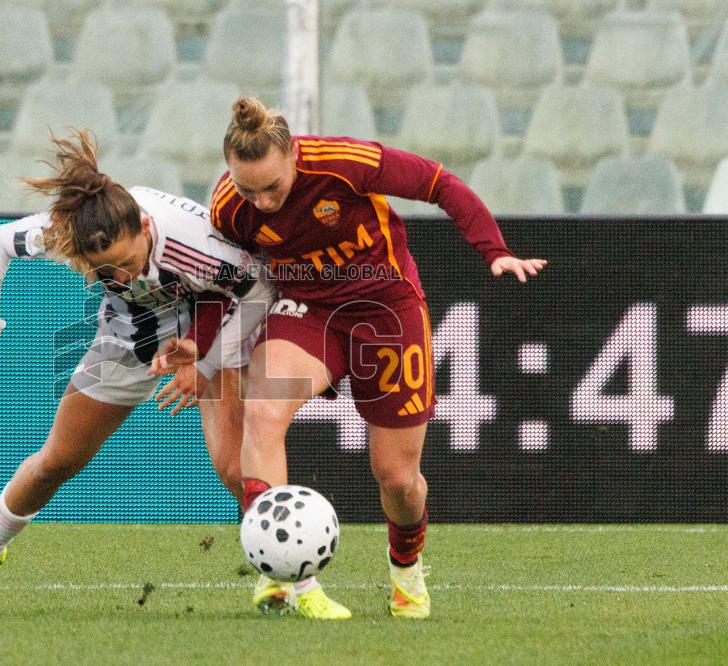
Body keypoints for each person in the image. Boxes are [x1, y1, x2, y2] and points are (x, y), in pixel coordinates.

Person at [187, 97, 546, 620]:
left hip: (385, 308)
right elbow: (221, 278)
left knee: (397, 478)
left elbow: (439, 183)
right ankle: (285, 578)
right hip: (306, 309)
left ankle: (406, 569)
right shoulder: (228, 206)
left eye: (273, 187)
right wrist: (200, 344)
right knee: (262, 414)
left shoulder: (343, 163)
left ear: (293, 158)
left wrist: (494, 250)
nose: (262, 202)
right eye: (248, 189)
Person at [0, 129, 274, 615]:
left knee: (237, 467)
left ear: (146, 229)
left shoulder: (194, 244)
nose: (121, 277)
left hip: (208, 327)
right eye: (106, 272)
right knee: (56, 461)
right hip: (129, 335)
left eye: (127, 263)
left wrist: (207, 359)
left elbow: (258, 291)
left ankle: (284, 582)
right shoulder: (71, 232)